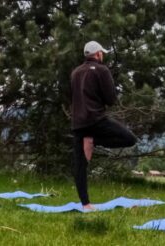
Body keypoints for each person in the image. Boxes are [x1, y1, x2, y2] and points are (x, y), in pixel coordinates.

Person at [69, 41, 138, 211]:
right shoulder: (102, 70)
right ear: (98, 54)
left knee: (80, 165)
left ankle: (85, 204)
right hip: (97, 119)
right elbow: (111, 99)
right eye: (102, 53)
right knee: (129, 139)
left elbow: (73, 96)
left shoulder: (75, 72)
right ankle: (95, 141)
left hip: (78, 123)